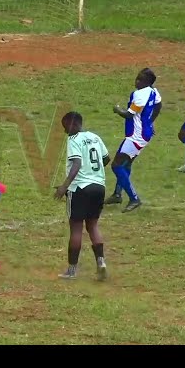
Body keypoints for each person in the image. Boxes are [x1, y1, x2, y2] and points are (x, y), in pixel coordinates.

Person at [54, 111, 111, 280]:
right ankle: (101, 262)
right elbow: (106, 159)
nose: (65, 131)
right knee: (93, 225)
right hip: (99, 186)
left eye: (65, 127)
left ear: (73, 124)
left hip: (80, 188)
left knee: (76, 227)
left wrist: (64, 186)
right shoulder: (95, 137)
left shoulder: (73, 140)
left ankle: (71, 271)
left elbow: (77, 163)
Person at [105, 68, 162, 212]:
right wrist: (150, 122)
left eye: (140, 80)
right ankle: (117, 194)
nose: (136, 81)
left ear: (146, 82)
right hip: (144, 133)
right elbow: (158, 105)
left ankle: (134, 198)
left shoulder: (139, 94)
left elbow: (129, 114)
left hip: (136, 136)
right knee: (126, 164)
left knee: (116, 166)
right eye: (137, 78)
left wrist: (117, 109)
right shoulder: (153, 91)